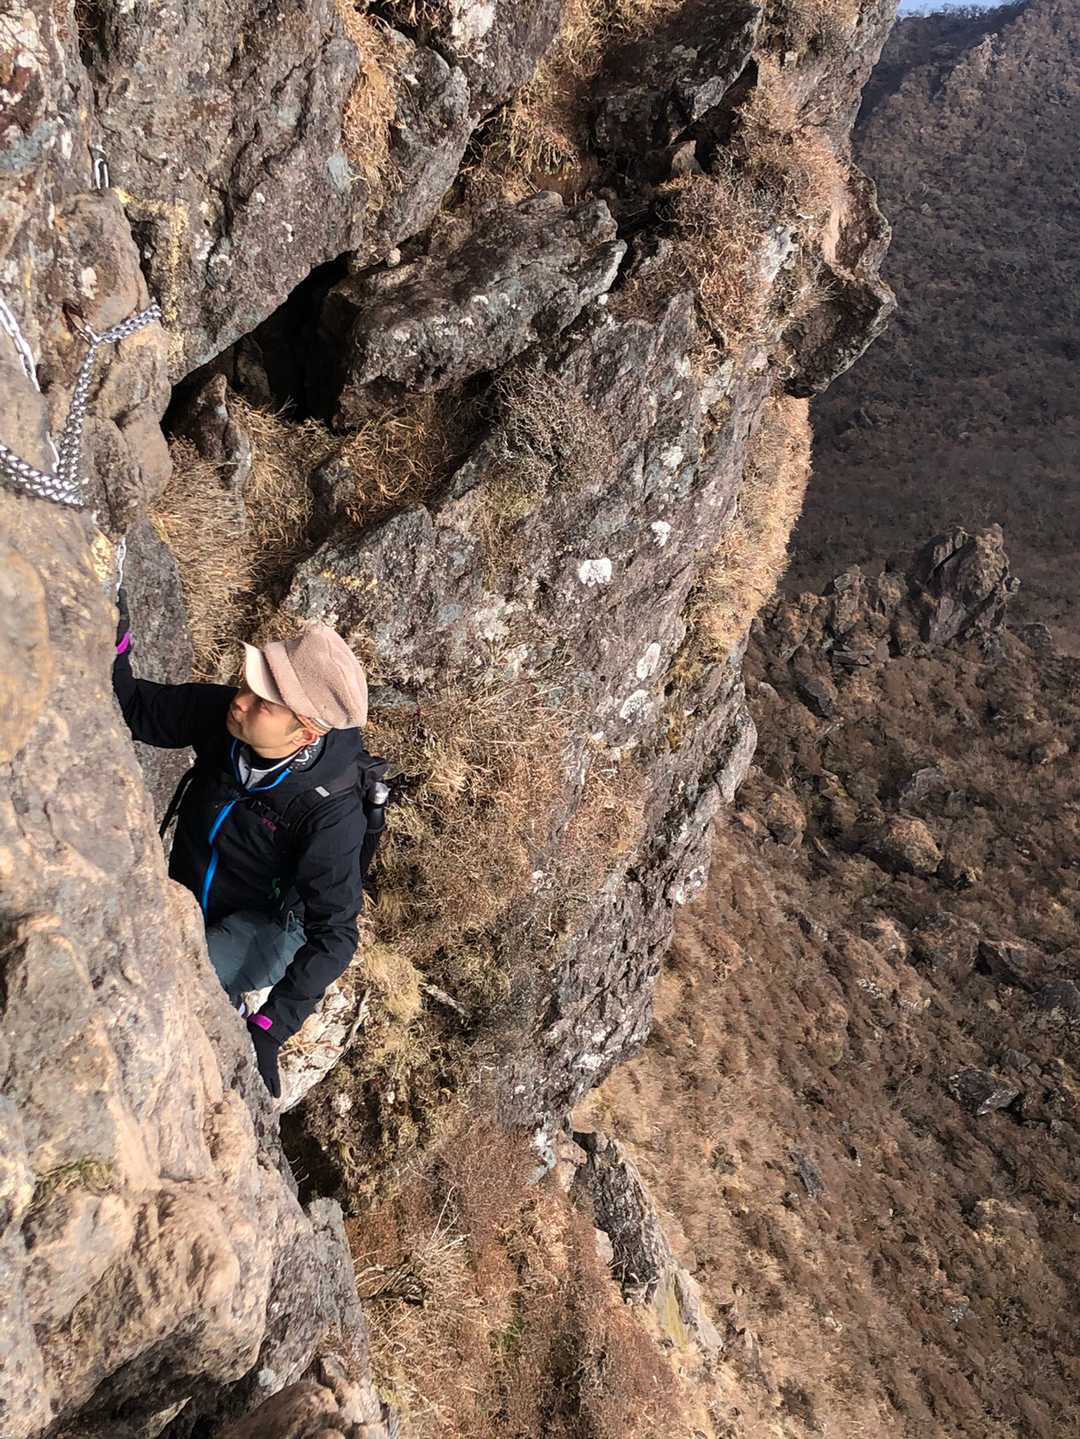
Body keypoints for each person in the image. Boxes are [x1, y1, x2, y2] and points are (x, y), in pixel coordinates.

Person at [112, 593, 370, 1099]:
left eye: (263, 702)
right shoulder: (228, 720)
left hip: (271, 927)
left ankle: (226, 1003)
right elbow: (136, 710)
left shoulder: (331, 814)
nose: (241, 701)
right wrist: (115, 636)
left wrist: (271, 1029)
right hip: (195, 889)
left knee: (177, 975)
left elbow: (335, 934)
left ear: (306, 733)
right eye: (250, 684)